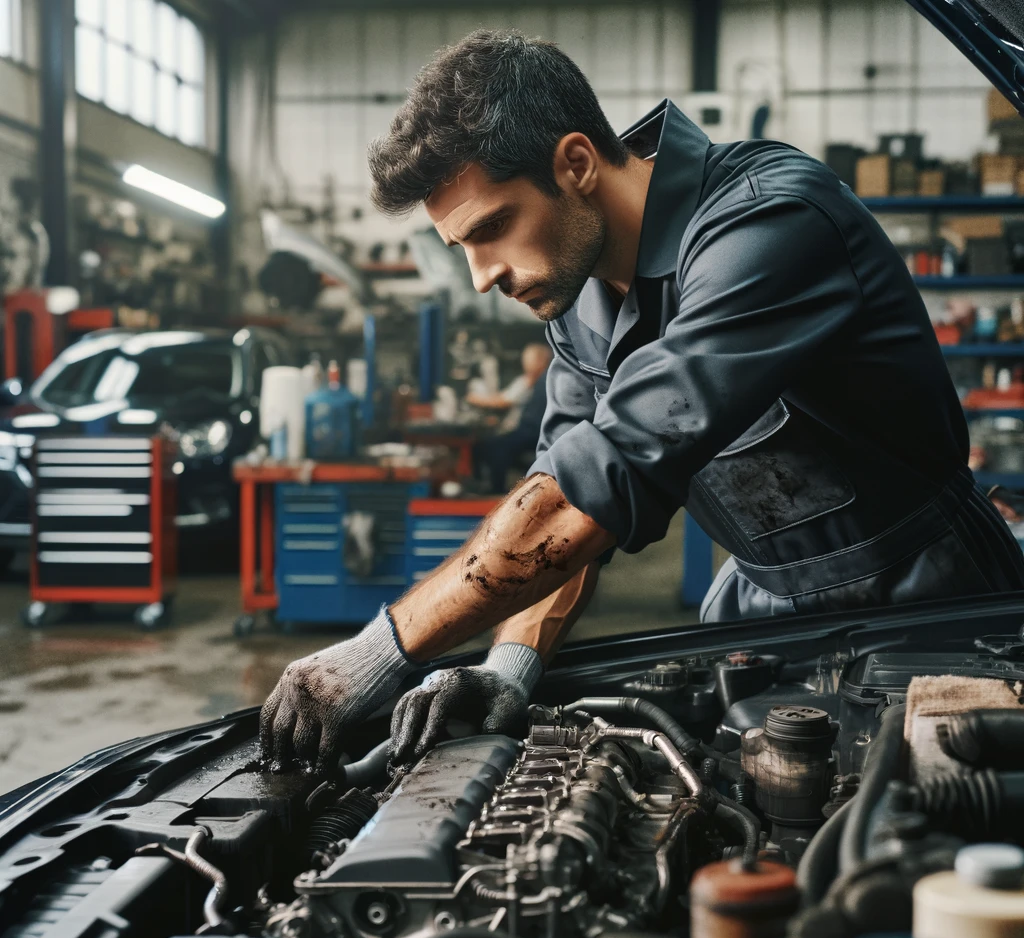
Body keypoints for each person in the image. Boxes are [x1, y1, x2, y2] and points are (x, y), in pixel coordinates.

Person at [259, 29, 1024, 772]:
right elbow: (556, 499)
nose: (481, 277)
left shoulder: (769, 221)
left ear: (577, 163)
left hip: (931, 599)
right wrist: (511, 665)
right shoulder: (580, 305)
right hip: (758, 606)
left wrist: (379, 650)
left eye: (493, 228)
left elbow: (602, 479)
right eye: (462, 247)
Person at [470, 343, 553, 492]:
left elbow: (503, 401)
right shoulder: (534, 379)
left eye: (529, 360)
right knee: (486, 445)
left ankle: (496, 491)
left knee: (494, 447)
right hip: (528, 430)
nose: (525, 364)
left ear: (541, 360)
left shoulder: (542, 380)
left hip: (533, 432)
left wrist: (475, 399)